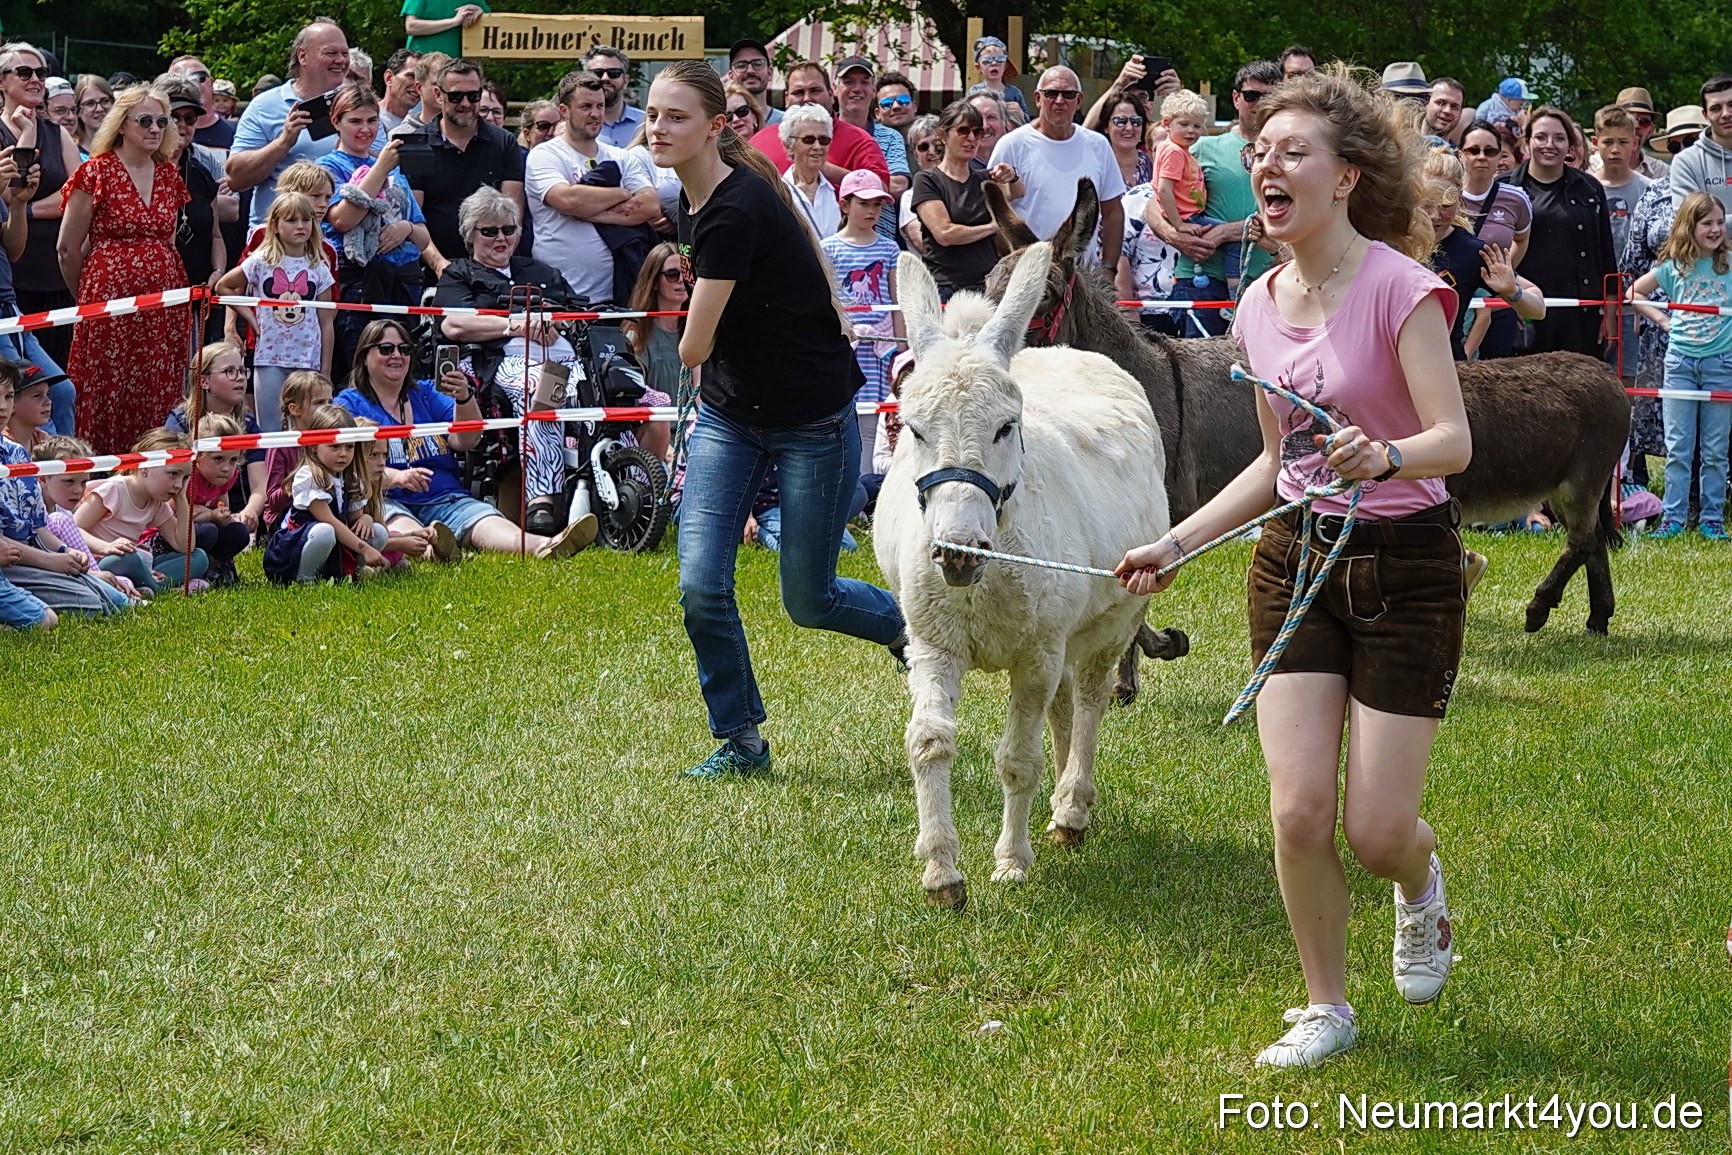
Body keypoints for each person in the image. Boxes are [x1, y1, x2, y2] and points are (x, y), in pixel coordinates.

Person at [1117, 67, 1472, 1070]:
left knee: (1374, 829)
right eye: (1260, 150)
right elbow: (1279, 464)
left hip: (1404, 563)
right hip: (1296, 559)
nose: (1265, 164)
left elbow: (1451, 440)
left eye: (1291, 151)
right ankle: (1326, 1006)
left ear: (1346, 178)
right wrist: (1174, 542)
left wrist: (1389, 454)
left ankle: (1419, 887)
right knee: (1298, 807)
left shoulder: (1406, 291)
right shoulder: (1259, 305)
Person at [643, 58, 905, 778]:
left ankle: (911, 631)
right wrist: (828, 299)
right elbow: (808, 241)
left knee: (809, 599)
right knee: (700, 584)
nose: (659, 128)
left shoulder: (730, 210)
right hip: (734, 412)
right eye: (655, 114)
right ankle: (742, 739)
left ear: (715, 128)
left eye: (676, 117)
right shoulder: (702, 196)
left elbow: (691, 344)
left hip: (810, 417)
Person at [435, 185, 668, 529]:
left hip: (570, 361)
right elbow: (454, 324)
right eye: (490, 231)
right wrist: (515, 326)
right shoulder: (460, 274)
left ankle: (633, 488)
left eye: (508, 230)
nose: (501, 238)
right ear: (471, 236)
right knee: (544, 389)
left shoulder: (541, 271)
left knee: (640, 397)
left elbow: (580, 309)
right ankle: (542, 500)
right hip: (508, 362)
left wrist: (565, 322)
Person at [335, 319, 595, 559]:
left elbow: (466, 440)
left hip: (446, 497)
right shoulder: (349, 404)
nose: (397, 355)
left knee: (489, 523)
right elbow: (347, 464)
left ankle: (545, 546)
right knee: (413, 535)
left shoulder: (426, 393)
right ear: (365, 357)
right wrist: (396, 477)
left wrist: (464, 398)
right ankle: (438, 551)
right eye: (386, 349)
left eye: (404, 349)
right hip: (385, 499)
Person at [58, 85, 193, 455]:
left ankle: (154, 469)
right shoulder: (96, 171)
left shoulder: (168, 175)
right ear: (122, 124)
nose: (155, 128)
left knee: (157, 384)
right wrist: (88, 300)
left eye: (161, 122)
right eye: (145, 120)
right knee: (107, 387)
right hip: (107, 303)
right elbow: (68, 249)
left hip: (162, 307)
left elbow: (167, 241)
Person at [317, 82, 445, 374]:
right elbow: (341, 219)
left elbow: (423, 236)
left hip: (402, 282)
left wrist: (405, 229)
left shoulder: (394, 169)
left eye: (372, 121)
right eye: (355, 121)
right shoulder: (327, 166)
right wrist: (381, 168)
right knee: (362, 371)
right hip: (358, 282)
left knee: (403, 372)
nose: (365, 130)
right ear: (336, 123)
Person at [1629, 192, 1732, 539]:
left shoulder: (1729, 262)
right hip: (1680, 364)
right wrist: (1663, 320)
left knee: (1716, 449)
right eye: (1708, 223)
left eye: (1720, 222)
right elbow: (1634, 293)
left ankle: (1712, 518)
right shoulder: (1673, 267)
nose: (1716, 229)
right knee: (1679, 448)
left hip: (1721, 365)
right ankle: (1673, 517)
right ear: (1690, 227)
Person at [1161, 60, 1281, 335]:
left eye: (1269, 96)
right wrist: (1174, 234)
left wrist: (1229, 231)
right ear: (1236, 99)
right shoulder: (1201, 147)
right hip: (1204, 278)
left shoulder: (1291, 153)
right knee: (1199, 375)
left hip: (1270, 276)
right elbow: (1152, 203)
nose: (1260, 103)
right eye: (1252, 95)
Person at [1623, 107, 1707, 489]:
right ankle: (1673, 496)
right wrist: (1650, 309)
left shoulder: (1721, 187)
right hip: (1665, 323)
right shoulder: (1655, 192)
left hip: (1720, 316)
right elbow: (1634, 255)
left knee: (1717, 409)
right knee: (1671, 413)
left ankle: (1711, 493)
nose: (1684, 148)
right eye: (1677, 143)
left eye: (1692, 141)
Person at [0, 371, 126, 620]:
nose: (3, 406)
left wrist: (64, 550)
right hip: (11, 560)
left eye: (9, 396)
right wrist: (50, 561)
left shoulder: (16, 453)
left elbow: (38, 525)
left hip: (32, 551)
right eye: (36, 396)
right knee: (89, 606)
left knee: (117, 601)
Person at [526, 68, 658, 305]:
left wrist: (586, 211)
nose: (596, 114)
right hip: (559, 296)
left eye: (600, 106)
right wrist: (621, 193)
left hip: (618, 292)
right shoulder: (544, 155)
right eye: (586, 107)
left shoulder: (620, 156)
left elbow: (649, 205)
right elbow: (568, 200)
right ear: (564, 111)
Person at [216, 192, 336, 429]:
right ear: (276, 225)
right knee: (270, 428)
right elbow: (223, 287)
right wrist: (250, 317)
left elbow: (326, 323)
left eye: (306, 220)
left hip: (307, 359)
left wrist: (326, 370)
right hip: (269, 357)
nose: (300, 226)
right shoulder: (261, 260)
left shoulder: (319, 266)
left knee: (306, 427)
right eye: (291, 220)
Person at [988, 65, 1124, 268]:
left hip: (1083, 274)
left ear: (1078, 101)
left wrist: (1109, 267)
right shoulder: (1012, 145)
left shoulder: (1098, 145)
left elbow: (1113, 211)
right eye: (1051, 93)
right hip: (1027, 271)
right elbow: (994, 210)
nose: (1059, 101)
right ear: (1037, 98)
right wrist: (1013, 263)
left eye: (1068, 94)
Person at [0, 42, 82, 368]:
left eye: (41, 73)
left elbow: (79, 195)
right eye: (24, 72)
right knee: (21, 379)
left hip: (56, 275)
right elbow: (8, 193)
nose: (35, 79)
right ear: (1, 82)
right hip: (13, 279)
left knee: (58, 375)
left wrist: (29, 209)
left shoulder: (57, 132)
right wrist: (27, 134)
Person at [227, 19, 353, 227]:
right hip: (278, 243)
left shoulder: (358, 107)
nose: (341, 60)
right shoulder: (265, 106)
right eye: (331, 53)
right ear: (302, 56)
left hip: (341, 242)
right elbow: (236, 179)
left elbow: (381, 167)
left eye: (345, 53)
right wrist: (284, 142)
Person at [1512, 107, 1616, 357]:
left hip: (1581, 316)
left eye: (1559, 138)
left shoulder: (1590, 188)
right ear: (1527, 143)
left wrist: (1610, 315)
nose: (1550, 145)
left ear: (1570, 144)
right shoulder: (1506, 188)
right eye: (1540, 137)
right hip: (1523, 314)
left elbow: (1606, 255)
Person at [1420, 149, 1543, 360]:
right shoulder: (1391, 242)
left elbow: (1538, 309)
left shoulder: (1472, 252)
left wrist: (1512, 292)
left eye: (1445, 205)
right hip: (1392, 366)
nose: (1434, 215)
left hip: (1447, 367)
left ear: (1459, 200)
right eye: (1426, 204)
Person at [820, 169, 905, 471]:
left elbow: (896, 302)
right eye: (864, 203)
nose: (872, 211)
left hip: (880, 348)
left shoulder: (889, 247)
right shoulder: (828, 248)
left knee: (875, 419)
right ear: (844, 205)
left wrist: (901, 347)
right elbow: (826, 300)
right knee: (843, 417)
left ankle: (867, 489)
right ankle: (846, 489)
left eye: (877, 204)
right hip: (846, 344)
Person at [403, 58, 526, 263]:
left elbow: (513, 217)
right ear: (438, 95)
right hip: (434, 267)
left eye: (473, 96)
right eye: (456, 96)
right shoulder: (416, 145)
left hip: (492, 265)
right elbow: (414, 218)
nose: (466, 103)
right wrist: (439, 264)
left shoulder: (504, 143)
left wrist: (495, 262)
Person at [262, 403, 389, 582]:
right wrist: (364, 548)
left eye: (349, 447)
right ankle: (304, 578)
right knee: (325, 531)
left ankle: (352, 573)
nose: (343, 454)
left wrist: (366, 519)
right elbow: (329, 521)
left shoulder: (351, 477)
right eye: (334, 447)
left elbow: (353, 519)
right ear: (314, 446)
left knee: (377, 532)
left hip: (332, 547)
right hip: (293, 550)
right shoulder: (308, 476)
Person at [75, 427, 211, 594]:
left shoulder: (157, 502)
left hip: (136, 563)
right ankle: (158, 588)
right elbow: (75, 527)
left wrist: (182, 499)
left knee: (199, 558)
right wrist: (106, 547)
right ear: (145, 468)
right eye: (173, 474)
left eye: (184, 478)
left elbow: (184, 546)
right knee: (126, 557)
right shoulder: (114, 490)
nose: (178, 484)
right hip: (102, 561)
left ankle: (146, 585)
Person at [164, 341, 267, 534]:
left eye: (242, 371)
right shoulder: (180, 423)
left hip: (230, 507)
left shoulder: (248, 424)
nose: (240, 378)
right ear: (204, 381)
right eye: (229, 371)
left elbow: (260, 485)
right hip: (182, 513)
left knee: (235, 533)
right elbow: (167, 484)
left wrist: (250, 511)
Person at [910, 100, 1008, 297]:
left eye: (977, 132)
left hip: (989, 286)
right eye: (963, 131)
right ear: (942, 135)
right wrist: (993, 227)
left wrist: (1012, 174)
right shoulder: (928, 179)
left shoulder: (985, 178)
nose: (971, 138)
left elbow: (1017, 192)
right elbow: (945, 234)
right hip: (948, 288)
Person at [1456, 119, 1533, 360]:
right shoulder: (1444, 196)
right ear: (1461, 155)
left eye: (1489, 151)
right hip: (1453, 298)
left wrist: (1506, 273)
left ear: (1499, 157)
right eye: (1473, 150)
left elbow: (1521, 239)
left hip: (1496, 299)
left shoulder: (1517, 199)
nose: (1481, 157)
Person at [748, 61, 889, 188]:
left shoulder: (860, 141)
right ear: (786, 98)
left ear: (830, 95)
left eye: (815, 91)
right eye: (798, 92)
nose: (807, 98)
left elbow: (880, 187)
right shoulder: (760, 141)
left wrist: (824, 169)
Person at [1153, 89, 1238, 288]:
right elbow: (1164, 189)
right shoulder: (1174, 151)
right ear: (1167, 124)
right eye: (1184, 124)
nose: (1191, 130)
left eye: (1197, 126)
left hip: (1189, 214)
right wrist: (1179, 224)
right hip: (1188, 216)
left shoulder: (1179, 150)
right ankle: (1235, 294)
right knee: (1235, 239)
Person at [1591, 105, 1651, 378]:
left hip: (1635, 301)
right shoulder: (1585, 187)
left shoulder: (1650, 190)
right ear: (1595, 143)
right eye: (1608, 142)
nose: (1615, 149)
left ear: (1635, 143)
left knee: (1630, 377)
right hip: (1594, 299)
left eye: (1623, 142)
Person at [158, 77, 226, 299]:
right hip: (152, 296)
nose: (182, 125)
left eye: (190, 118)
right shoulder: (138, 172)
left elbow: (216, 235)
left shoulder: (201, 174)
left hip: (198, 294)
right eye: (174, 117)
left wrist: (218, 272)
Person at [178, 412, 254, 587]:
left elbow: (222, 504)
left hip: (206, 525)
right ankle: (195, 571)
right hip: (179, 537)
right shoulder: (188, 478)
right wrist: (212, 515)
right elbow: (178, 516)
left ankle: (216, 567)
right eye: (218, 459)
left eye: (233, 459)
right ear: (198, 456)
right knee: (208, 530)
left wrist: (224, 515)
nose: (226, 468)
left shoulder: (227, 476)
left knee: (239, 532)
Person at [262, 369, 335, 532]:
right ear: (295, 409)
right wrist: (302, 479)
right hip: (285, 518)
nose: (328, 408)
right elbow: (273, 501)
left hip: (325, 509)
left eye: (330, 402)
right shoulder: (281, 444)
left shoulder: (333, 441)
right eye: (319, 403)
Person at [622, 240, 685, 413]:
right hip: (656, 431)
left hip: (693, 431)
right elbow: (637, 400)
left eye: (686, 273)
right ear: (654, 282)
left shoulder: (696, 330)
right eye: (672, 274)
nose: (681, 280)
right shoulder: (636, 335)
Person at [1671, 75, 1732, 219]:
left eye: (1731, 105)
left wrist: (1715, 220)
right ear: (1705, 115)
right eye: (1716, 108)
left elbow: (1707, 223)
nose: (1726, 114)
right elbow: (1690, 222)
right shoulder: (1687, 162)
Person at [779, 102, 839, 237]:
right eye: (808, 139)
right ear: (789, 146)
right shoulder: (778, 194)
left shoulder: (838, 192)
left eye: (823, 140)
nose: (817, 146)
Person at [1590, 87, 1668, 180]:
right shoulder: (1588, 168)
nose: (1636, 125)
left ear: (1650, 130)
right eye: (1629, 119)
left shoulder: (1662, 172)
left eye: (1644, 121)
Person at [1088, 87, 1152, 188]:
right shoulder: (1098, 165)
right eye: (1120, 121)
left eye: (1136, 121)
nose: (1129, 127)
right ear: (1106, 127)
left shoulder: (1153, 164)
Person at [582, 46, 642, 148]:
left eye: (614, 73)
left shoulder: (646, 123)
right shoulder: (575, 124)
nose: (605, 78)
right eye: (597, 73)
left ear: (625, 81)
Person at [966, 36, 1027, 121]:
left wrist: (1020, 113)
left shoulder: (1015, 93)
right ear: (978, 67)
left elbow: (1027, 122)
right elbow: (967, 118)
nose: (994, 63)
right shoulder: (974, 92)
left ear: (1005, 65)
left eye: (1000, 59)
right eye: (986, 61)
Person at [402, 0, 487, 58]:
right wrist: (454, 21)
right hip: (422, 65)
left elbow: (493, 26)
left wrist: (481, 13)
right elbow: (411, 26)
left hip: (459, 68)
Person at [726, 38, 781, 126]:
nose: (750, 70)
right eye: (741, 65)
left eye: (757, 64)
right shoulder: (721, 128)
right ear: (730, 76)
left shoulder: (787, 122)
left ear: (770, 72)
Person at [379, 49, 421, 134]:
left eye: (423, 81)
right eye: (412, 76)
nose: (418, 85)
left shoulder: (422, 128)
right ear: (389, 77)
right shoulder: (365, 118)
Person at [72, 73, 112, 158]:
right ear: (78, 111)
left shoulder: (126, 148)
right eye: (90, 103)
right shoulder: (70, 152)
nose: (99, 109)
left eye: (105, 101)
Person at [968, 90, 1011, 158]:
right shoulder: (954, 167)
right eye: (977, 117)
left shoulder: (1018, 161)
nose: (984, 126)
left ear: (1005, 124)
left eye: (991, 117)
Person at [1423, 78, 1466, 146]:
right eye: (1441, 103)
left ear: (1460, 113)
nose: (1447, 111)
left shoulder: (1458, 156)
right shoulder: (1404, 148)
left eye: (1454, 107)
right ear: (1426, 103)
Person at [875, 71, 918, 138]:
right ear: (877, 113)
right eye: (887, 103)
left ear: (914, 106)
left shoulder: (935, 140)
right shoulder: (869, 144)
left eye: (903, 100)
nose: (896, 106)